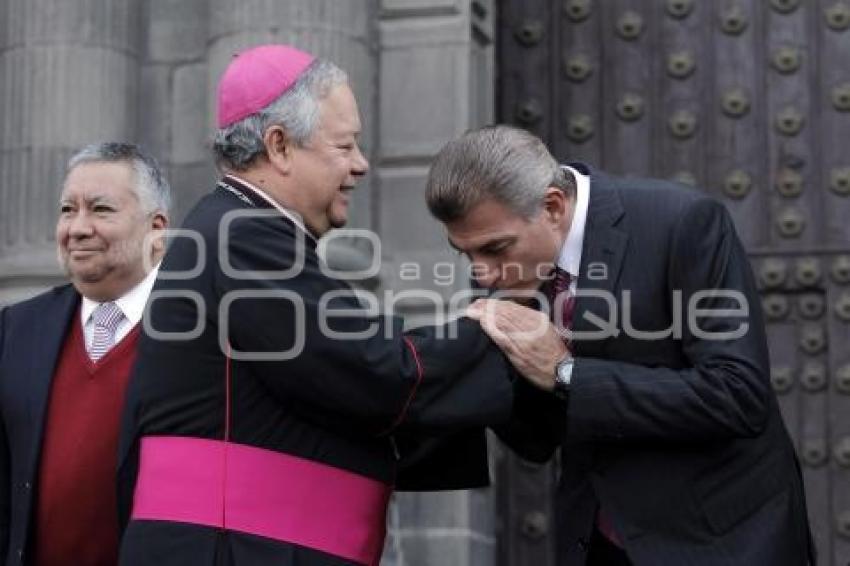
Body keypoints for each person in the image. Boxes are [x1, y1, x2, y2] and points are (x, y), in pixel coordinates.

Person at [116, 44, 513, 566]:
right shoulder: (244, 235)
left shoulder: (242, 229)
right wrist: (500, 329)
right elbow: (365, 369)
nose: (361, 165)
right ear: (279, 146)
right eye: (345, 146)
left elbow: (330, 385)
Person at [425, 125, 815, 566]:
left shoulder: (682, 222)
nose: (483, 274)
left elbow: (737, 395)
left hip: (721, 541)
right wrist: (487, 363)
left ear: (553, 206)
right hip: (597, 541)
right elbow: (539, 441)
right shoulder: (499, 269)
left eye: (495, 249)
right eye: (466, 254)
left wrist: (566, 372)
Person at [0, 143, 170, 566]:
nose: (77, 228)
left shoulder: (196, 334)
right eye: (67, 210)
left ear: (157, 231)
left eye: (100, 209)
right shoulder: (17, 330)